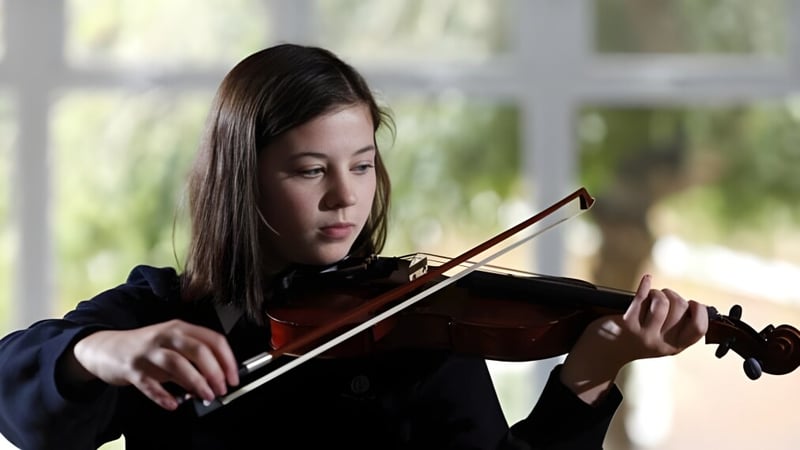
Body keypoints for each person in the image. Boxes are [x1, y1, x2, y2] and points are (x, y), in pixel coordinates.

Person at [0, 43, 708, 450]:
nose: (346, 196)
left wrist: (586, 375)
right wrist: (96, 354)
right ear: (239, 179)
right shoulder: (166, 314)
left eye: (363, 164)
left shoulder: (412, 320)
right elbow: (19, 394)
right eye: (311, 170)